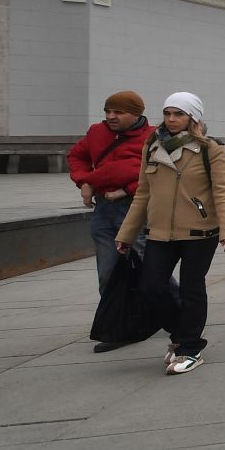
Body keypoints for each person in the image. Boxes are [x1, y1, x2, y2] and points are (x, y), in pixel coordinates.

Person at [115, 93, 225, 375]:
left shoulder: (211, 149)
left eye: (178, 114)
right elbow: (143, 194)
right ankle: (181, 333)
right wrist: (126, 233)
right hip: (160, 232)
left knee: (192, 289)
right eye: (168, 113)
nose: (171, 119)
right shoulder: (152, 146)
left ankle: (190, 348)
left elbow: (223, 191)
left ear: (192, 118)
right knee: (150, 287)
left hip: (200, 232)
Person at [67, 90, 153, 299]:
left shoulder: (152, 136)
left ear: (135, 114)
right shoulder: (97, 132)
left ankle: (174, 312)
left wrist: (127, 189)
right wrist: (84, 181)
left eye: (118, 112)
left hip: (136, 208)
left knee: (148, 268)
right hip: (104, 209)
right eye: (107, 111)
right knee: (107, 270)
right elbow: (77, 156)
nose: (110, 116)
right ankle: (112, 319)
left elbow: (158, 172)